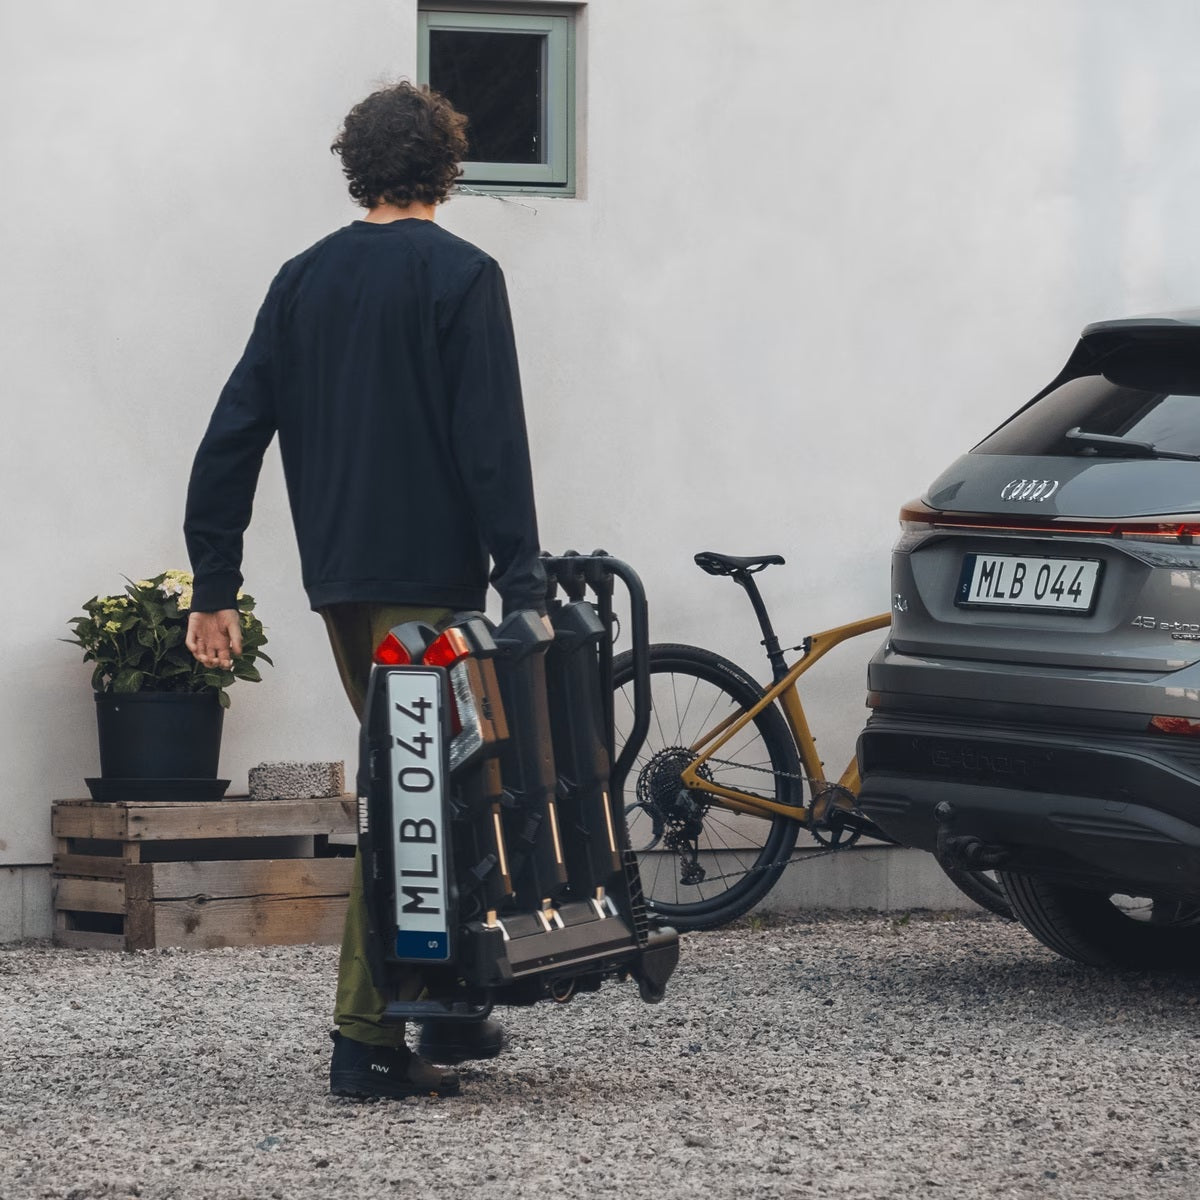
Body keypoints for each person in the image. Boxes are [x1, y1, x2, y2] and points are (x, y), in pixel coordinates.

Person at [182, 82, 546, 1100]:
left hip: (341, 583)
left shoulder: (303, 280)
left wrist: (215, 581)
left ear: (359, 168)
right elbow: (492, 444)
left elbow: (231, 436)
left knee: (422, 784)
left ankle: (448, 1006)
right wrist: (521, 580)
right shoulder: (462, 275)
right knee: (410, 796)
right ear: (446, 167)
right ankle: (368, 1039)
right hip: (428, 589)